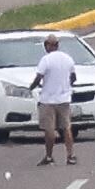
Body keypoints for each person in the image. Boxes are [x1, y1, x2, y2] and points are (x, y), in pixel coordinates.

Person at [31, 35, 77, 165]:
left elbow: (39, 77)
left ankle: (49, 156)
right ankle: (70, 155)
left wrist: (32, 87)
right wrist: (67, 86)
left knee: (49, 130)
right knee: (66, 127)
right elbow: (73, 77)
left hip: (48, 100)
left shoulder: (46, 60)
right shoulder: (68, 59)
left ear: (49, 45)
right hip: (64, 99)